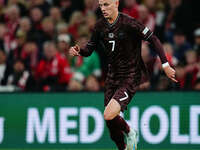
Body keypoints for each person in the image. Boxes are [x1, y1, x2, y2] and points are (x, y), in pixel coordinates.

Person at [69, 0, 177, 150]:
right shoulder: (100, 26)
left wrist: (165, 65)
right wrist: (79, 50)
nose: (103, 9)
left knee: (108, 115)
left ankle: (130, 132)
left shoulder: (129, 23)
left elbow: (154, 39)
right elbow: (89, 49)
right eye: (100, 5)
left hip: (130, 76)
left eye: (106, 4)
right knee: (111, 124)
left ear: (116, 3)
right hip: (112, 76)